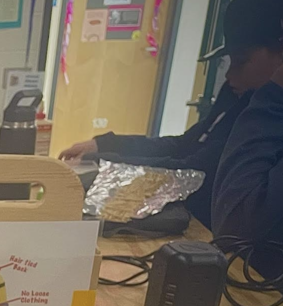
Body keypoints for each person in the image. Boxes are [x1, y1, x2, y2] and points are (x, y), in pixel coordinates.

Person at [59, 0, 283, 230]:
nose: (229, 74)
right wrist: (104, 145)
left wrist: (103, 161)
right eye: (229, 61)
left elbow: (196, 169)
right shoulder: (237, 96)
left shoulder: (262, 116)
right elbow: (184, 145)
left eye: (241, 61)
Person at [213, 11, 283, 288]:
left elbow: (235, 234)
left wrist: (274, 96)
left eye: (241, 61)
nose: (230, 75)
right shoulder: (245, 100)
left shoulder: (266, 104)